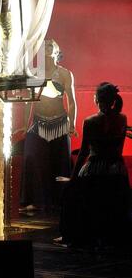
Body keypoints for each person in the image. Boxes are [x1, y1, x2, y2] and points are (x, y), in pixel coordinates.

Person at [55, 82, 131, 248]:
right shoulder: (122, 119)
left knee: (72, 197)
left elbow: (83, 153)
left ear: (96, 99)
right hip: (116, 169)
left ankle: (72, 236)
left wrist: (73, 178)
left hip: (94, 170)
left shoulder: (90, 121)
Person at [19, 39, 77, 213]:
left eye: (50, 45)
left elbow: (72, 102)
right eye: (44, 45)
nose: (47, 47)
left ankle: (61, 202)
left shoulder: (66, 74)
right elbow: (28, 101)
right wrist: (24, 125)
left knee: (61, 162)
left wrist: (72, 124)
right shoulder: (33, 74)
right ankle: (33, 201)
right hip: (38, 122)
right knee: (32, 158)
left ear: (57, 51)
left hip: (60, 122)